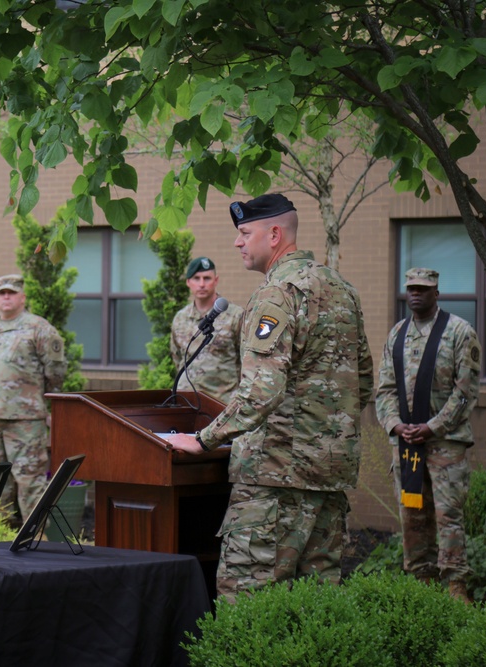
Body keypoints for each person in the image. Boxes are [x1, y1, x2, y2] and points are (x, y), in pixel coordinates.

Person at [165, 193, 374, 601]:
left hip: (273, 480)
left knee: (247, 602)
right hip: (328, 479)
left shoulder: (276, 294)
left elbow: (260, 392)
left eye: (245, 233)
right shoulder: (341, 289)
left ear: (274, 234)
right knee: (316, 607)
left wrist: (203, 438)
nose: (237, 243)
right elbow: (363, 379)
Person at [375, 268, 480, 603]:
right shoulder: (397, 335)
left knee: (448, 514)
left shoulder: (460, 332)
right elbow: (385, 390)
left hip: (445, 446)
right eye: (411, 289)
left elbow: (465, 393)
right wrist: (395, 424)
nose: (416, 294)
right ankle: (420, 582)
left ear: (437, 293)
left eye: (423, 289)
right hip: (407, 448)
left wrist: (433, 426)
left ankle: (454, 586)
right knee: (412, 514)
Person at [0, 274, 66, 522]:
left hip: (26, 418)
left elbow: (55, 371)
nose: (6, 297)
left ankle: (35, 537)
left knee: (30, 482)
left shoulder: (39, 328)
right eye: (2, 293)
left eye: (11, 293)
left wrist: (44, 402)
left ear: (22, 297)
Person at [170, 256, 244, 403]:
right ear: (188, 282)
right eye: (196, 278)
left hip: (222, 403)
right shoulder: (180, 318)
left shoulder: (236, 316)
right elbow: (177, 358)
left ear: (216, 280)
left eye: (207, 278)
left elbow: (246, 362)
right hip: (186, 401)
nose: (202, 284)